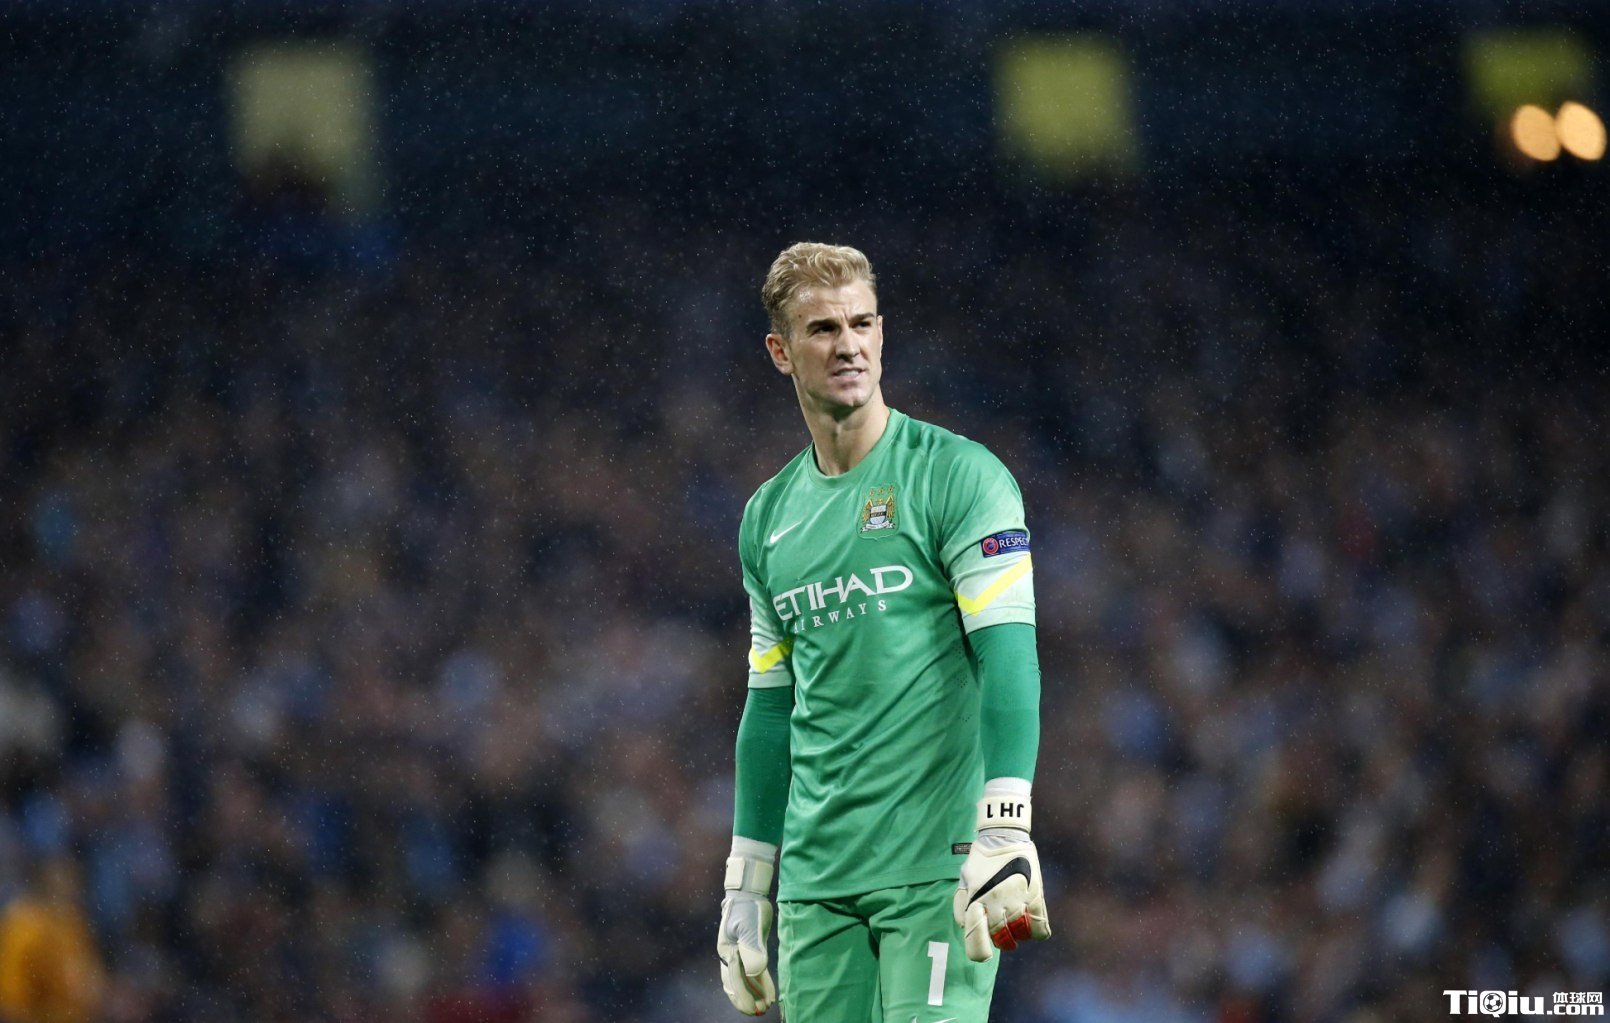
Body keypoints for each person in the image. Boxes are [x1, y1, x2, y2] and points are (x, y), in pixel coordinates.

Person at [716, 243, 1050, 1022]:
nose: (849, 345)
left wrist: (1006, 823)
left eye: (862, 323)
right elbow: (770, 706)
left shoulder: (960, 477)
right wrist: (746, 885)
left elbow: (1009, 654)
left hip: (938, 867)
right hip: (815, 884)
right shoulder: (767, 518)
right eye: (823, 328)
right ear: (780, 351)